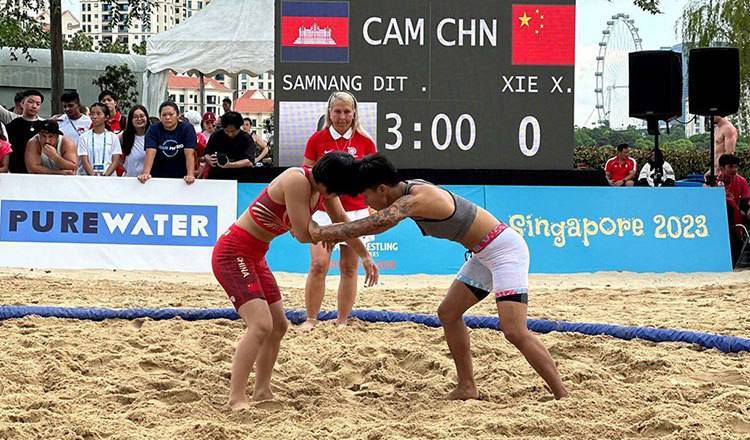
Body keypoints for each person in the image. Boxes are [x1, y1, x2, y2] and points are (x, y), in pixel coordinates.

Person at [309, 154, 568, 401]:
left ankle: (562, 395)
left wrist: (322, 232)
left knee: (514, 331)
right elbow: (371, 215)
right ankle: (467, 387)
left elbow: (373, 224)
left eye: (366, 196)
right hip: (483, 253)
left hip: (505, 251)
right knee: (448, 313)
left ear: (382, 189)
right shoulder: (406, 191)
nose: (367, 202)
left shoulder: (416, 199)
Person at [212, 151, 378, 410]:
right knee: (260, 325)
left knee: (279, 325)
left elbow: (342, 221)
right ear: (330, 182)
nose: (337, 196)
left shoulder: (321, 189)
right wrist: (330, 233)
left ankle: (262, 390)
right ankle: (236, 398)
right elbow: (302, 234)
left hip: (255, 255)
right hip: (233, 253)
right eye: (338, 190)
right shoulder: (296, 180)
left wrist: (364, 255)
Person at [300, 91, 377, 330]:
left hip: (355, 212)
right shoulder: (317, 140)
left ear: (354, 113)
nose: (342, 117)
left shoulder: (366, 141)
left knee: (349, 267)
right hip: (323, 212)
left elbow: (373, 180)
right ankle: (311, 319)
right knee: (319, 264)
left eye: (346, 111)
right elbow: (307, 176)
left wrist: (372, 207)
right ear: (329, 113)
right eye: (337, 111)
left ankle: (342, 320)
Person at [138, 102, 196, 184]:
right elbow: (150, 152)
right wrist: (146, 173)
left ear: (178, 115)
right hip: (158, 176)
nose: (167, 117)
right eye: (164, 115)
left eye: (171, 114)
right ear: (160, 116)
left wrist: (190, 174)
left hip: (181, 177)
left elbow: (189, 153)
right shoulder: (153, 129)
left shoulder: (187, 129)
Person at [203, 112, 256, 180]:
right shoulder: (216, 135)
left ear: (239, 128)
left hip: (240, 177)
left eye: (233, 131)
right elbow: (206, 153)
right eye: (226, 131)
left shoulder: (246, 138)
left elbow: (249, 161)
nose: (230, 134)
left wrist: (229, 164)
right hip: (217, 176)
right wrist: (208, 159)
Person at [77, 103, 122, 176]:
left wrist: (105, 177)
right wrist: (94, 177)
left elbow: (115, 161)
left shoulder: (113, 137)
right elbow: (84, 161)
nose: (94, 117)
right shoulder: (84, 137)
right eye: (92, 114)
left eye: (98, 114)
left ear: (106, 117)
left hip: (109, 178)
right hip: (89, 178)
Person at [6, 89, 44, 173]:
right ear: (22, 103)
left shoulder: (44, 126)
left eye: (38, 104)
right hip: (15, 171)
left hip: (39, 171)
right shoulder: (12, 125)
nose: (34, 106)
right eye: (30, 102)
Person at [120, 105, 150, 177]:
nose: (139, 119)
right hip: (129, 179)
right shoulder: (123, 136)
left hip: (148, 179)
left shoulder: (153, 136)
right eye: (135, 117)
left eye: (142, 116)